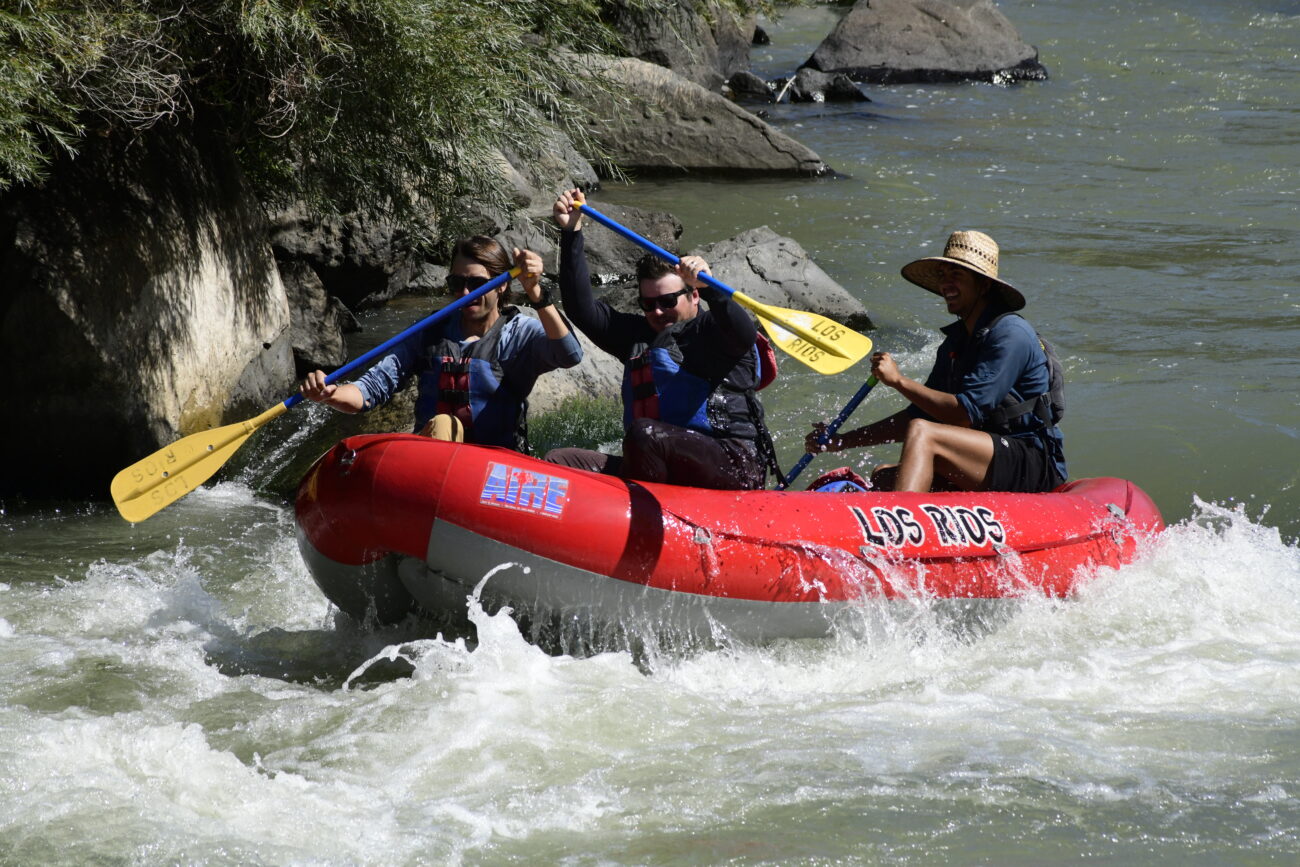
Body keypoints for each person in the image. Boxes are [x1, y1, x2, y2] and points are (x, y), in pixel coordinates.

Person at [805, 230, 1066, 494]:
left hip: (1032, 461)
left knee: (924, 433)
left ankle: (901, 526)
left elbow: (964, 415)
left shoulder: (1010, 333)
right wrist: (840, 442)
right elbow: (919, 414)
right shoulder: (954, 342)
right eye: (943, 276)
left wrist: (898, 381)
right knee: (883, 477)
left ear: (984, 285)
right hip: (987, 455)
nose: (946, 284)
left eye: (957, 275)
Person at [544, 188, 772, 490]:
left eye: (667, 301)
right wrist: (572, 231)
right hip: (658, 464)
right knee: (559, 462)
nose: (658, 311)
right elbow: (581, 309)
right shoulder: (638, 337)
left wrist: (711, 288)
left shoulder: (713, 332)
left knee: (645, 434)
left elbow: (742, 332)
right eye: (648, 304)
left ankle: (644, 514)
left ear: (693, 295)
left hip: (732, 464)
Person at [300, 236, 582, 451]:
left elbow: (569, 354)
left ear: (501, 285)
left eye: (477, 283)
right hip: (432, 462)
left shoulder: (518, 333)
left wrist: (536, 293)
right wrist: (329, 394)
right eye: (456, 283)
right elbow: (371, 389)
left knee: (448, 426)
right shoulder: (429, 332)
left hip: (495, 466)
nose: (465, 292)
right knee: (444, 425)